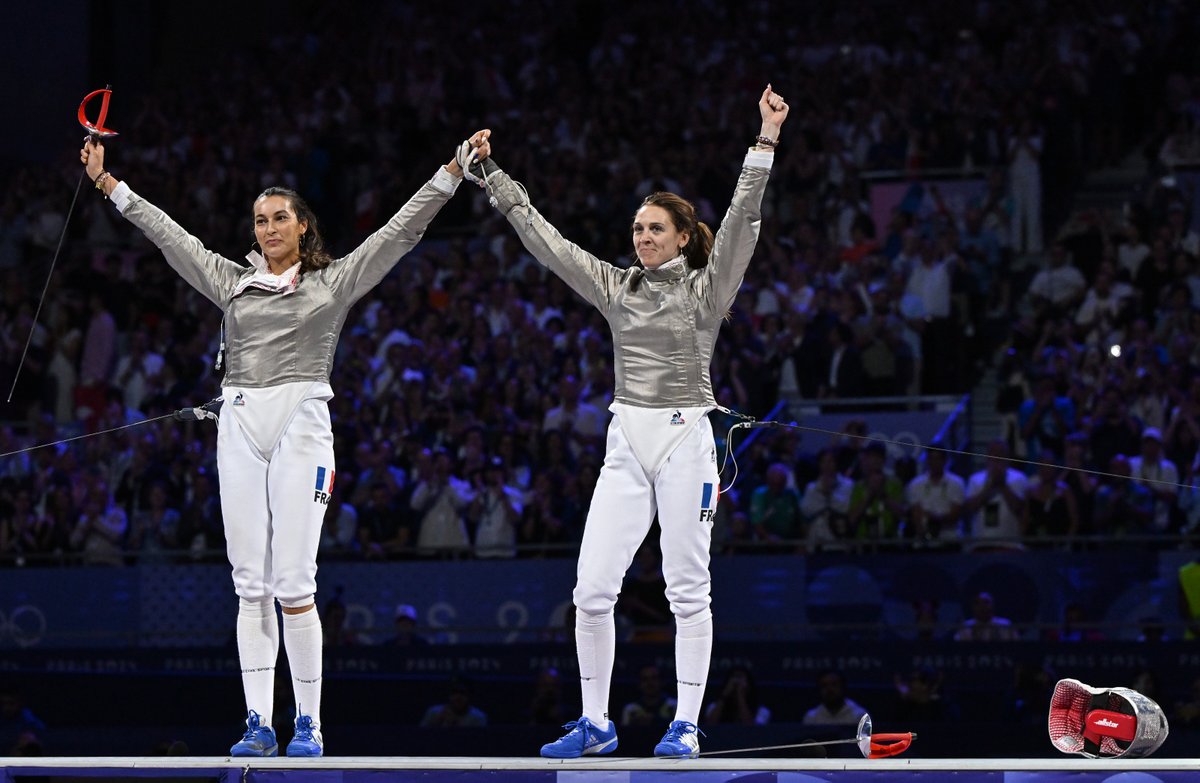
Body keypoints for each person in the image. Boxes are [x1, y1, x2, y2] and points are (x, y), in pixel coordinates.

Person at [81, 129, 493, 758]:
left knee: (295, 584)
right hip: (239, 426)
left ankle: (309, 722)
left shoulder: (332, 283)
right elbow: (170, 237)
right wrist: (111, 187)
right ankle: (257, 721)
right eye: (259, 220)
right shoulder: (230, 282)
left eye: (279, 218)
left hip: (302, 425)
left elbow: (398, 233)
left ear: (303, 227)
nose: (268, 228)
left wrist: (451, 173)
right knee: (250, 584)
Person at [472, 86, 788, 759]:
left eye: (654, 229)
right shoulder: (616, 288)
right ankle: (595, 722)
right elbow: (548, 243)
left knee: (686, 588)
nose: (642, 237)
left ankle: (687, 723)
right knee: (590, 589)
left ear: (680, 235)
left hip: (685, 443)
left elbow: (741, 218)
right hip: (627, 444)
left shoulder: (709, 287)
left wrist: (765, 138)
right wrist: (495, 178)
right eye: (637, 228)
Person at [801, 671, 867, 725]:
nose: (829, 689)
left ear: (843, 687)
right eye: (824, 685)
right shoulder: (811, 717)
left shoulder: (860, 716)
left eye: (834, 684)